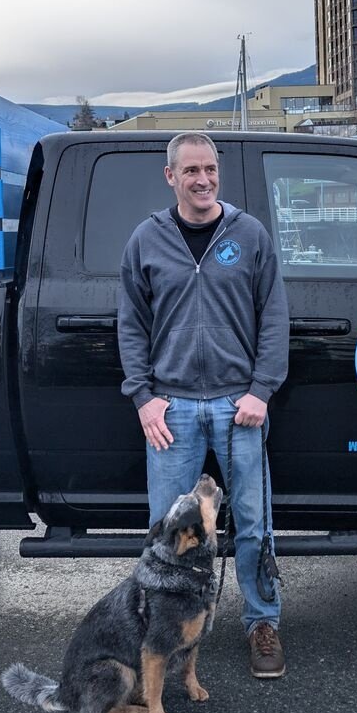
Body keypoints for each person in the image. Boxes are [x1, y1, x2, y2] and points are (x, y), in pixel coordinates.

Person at [118, 132, 290, 678]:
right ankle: (160, 630)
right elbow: (131, 326)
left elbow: (274, 318)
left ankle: (262, 623)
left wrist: (261, 390)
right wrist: (144, 398)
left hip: (238, 407)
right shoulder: (146, 240)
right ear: (171, 177)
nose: (203, 179)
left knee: (253, 522)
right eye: (190, 170)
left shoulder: (249, 235)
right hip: (171, 410)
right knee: (165, 530)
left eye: (210, 169)